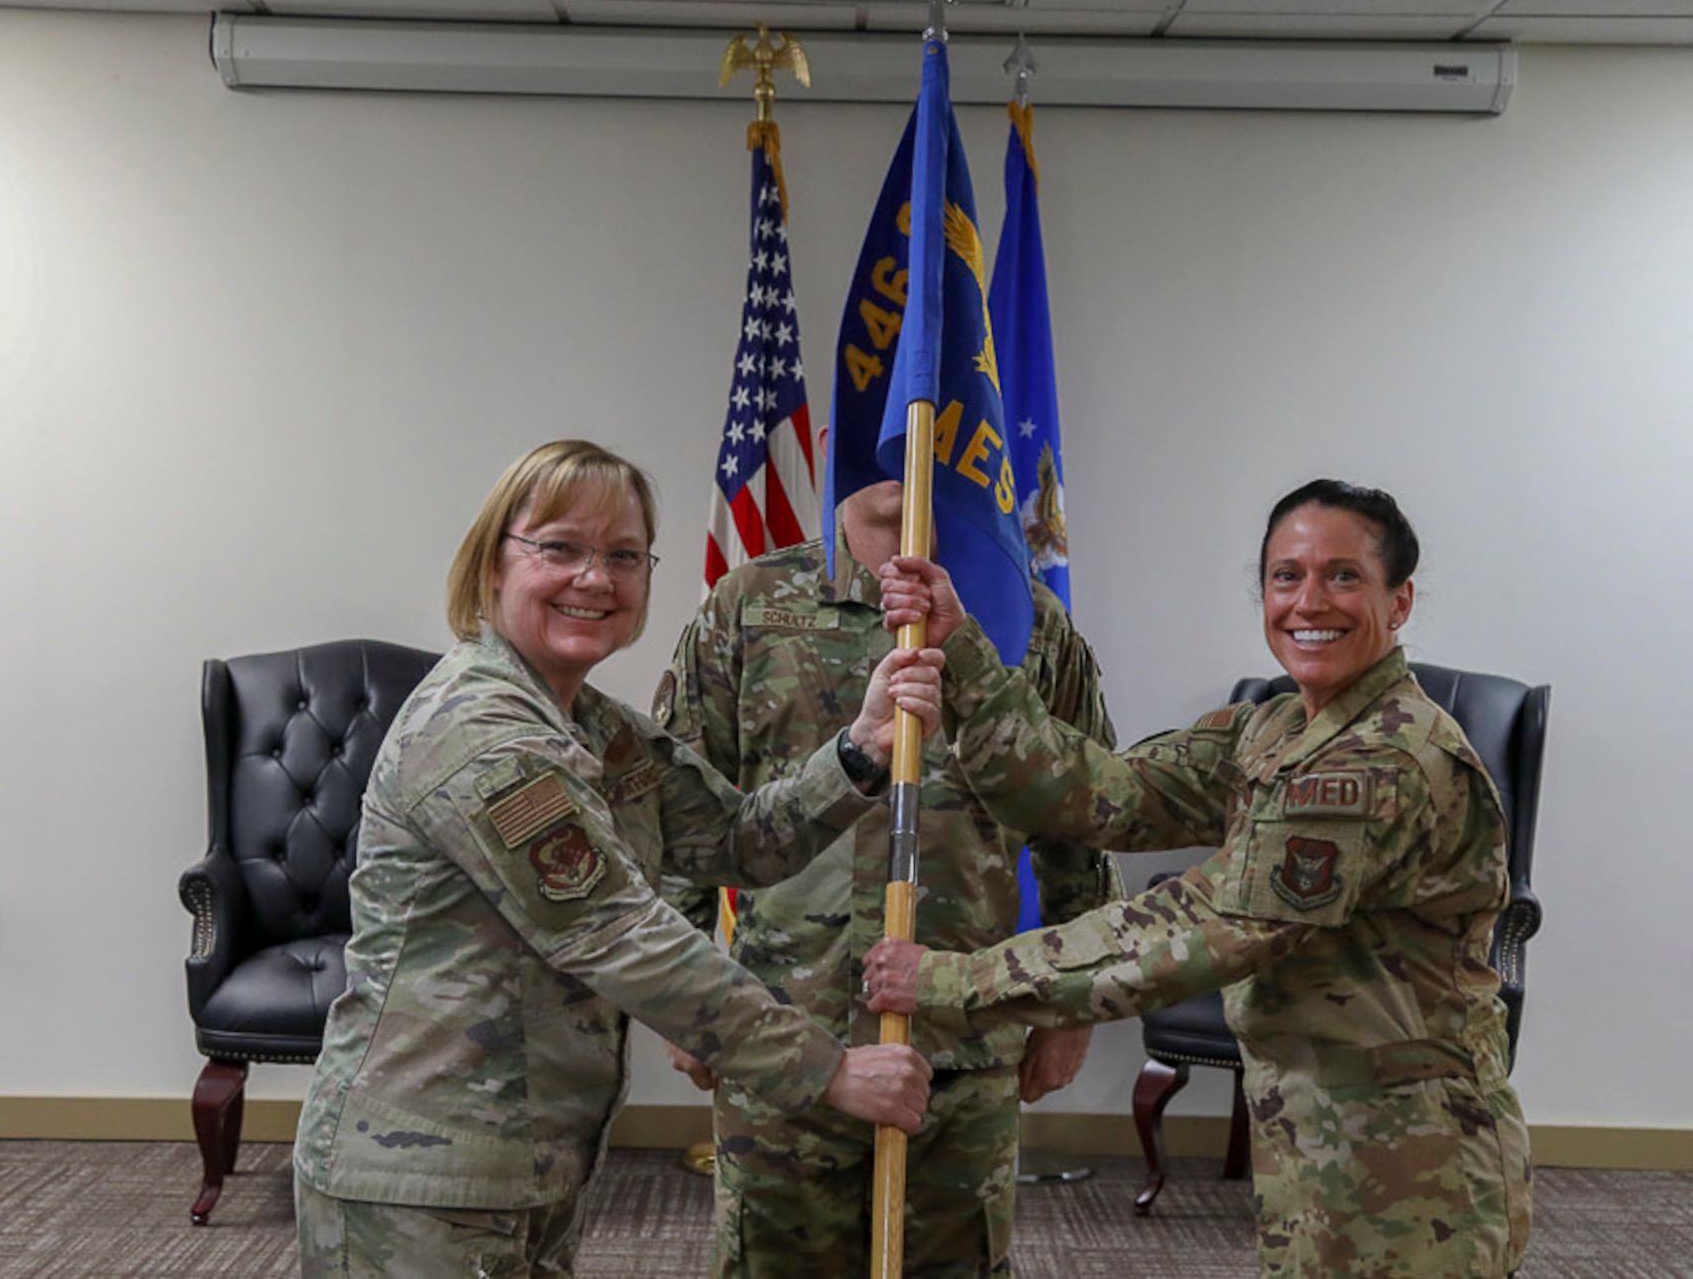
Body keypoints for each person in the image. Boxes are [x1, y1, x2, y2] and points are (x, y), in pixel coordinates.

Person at [293, 440, 940, 1278]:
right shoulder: (481, 732)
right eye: (560, 548)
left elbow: (736, 839)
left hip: (519, 1163)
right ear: (493, 565)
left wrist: (859, 748)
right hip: (420, 1179)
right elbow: (613, 932)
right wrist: (828, 1071)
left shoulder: (595, 725)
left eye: (624, 556)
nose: (595, 579)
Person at [864, 479, 1533, 1276]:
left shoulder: (1380, 759)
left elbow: (1203, 926)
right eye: (1287, 576)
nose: (1309, 601)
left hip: (1411, 1164)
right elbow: (1099, 794)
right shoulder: (1278, 727)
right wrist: (963, 653)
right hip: (1321, 1140)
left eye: (1344, 575)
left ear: (1400, 601)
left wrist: (955, 982)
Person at [653, 472, 1124, 1276]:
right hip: (782, 1035)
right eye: (875, 419)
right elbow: (680, 813)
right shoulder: (750, 604)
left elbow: (1078, 825)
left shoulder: (1022, 622)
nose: (896, 449)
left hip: (964, 1041)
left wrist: (1071, 1007)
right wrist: (683, 1002)